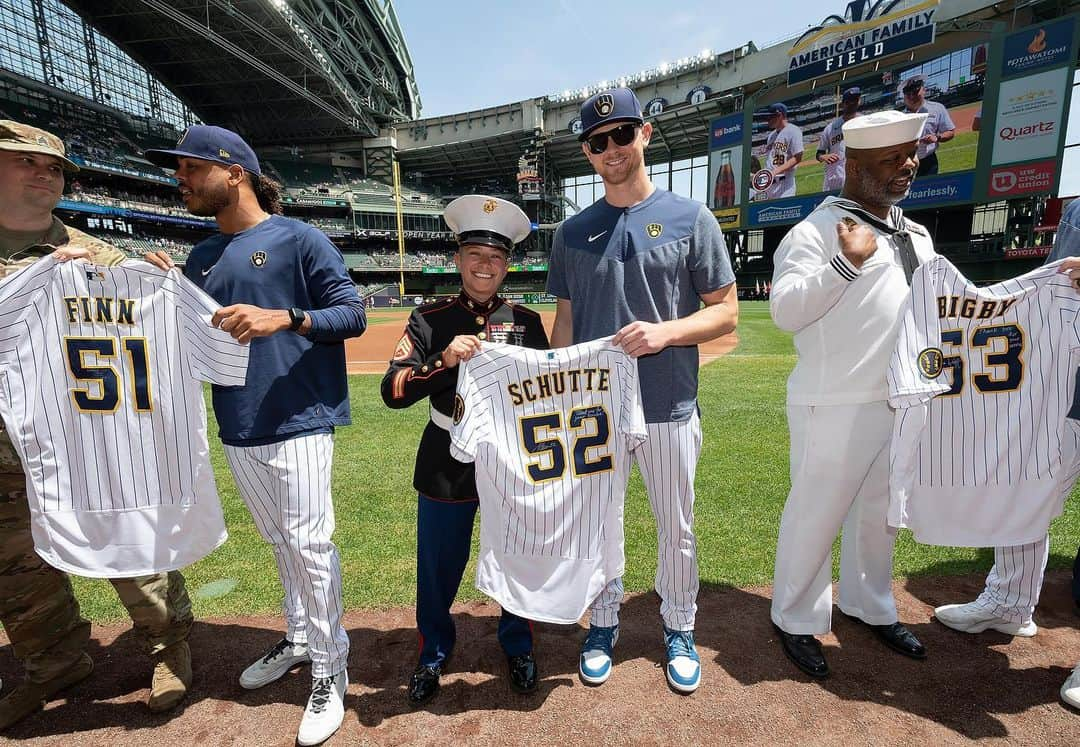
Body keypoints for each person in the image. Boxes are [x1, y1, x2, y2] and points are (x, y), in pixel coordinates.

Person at [142, 125, 366, 746]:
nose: (180, 180)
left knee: (310, 544)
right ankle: (299, 637)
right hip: (238, 425)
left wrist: (286, 317)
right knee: (280, 543)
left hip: (299, 418)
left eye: (190, 168)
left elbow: (351, 313)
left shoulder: (299, 238)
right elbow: (187, 335)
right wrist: (165, 289)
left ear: (234, 172)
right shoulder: (201, 257)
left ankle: (330, 667)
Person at [0, 120, 193, 729]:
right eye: (27, 162)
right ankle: (53, 665)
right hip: (3, 454)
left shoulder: (101, 257)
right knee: (17, 570)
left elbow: (149, 329)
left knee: (132, 543)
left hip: (88, 447)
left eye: (54, 168)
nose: (45, 174)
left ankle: (170, 648)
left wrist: (156, 282)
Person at [547, 87, 738, 694]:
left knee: (675, 525)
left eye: (622, 135)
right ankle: (602, 623)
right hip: (595, 413)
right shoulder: (573, 232)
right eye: (598, 142)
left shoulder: (691, 217)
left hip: (668, 404)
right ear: (586, 151)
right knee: (598, 524)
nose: (612, 149)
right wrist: (554, 387)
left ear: (645, 135)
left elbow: (726, 312)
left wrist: (666, 333)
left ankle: (678, 625)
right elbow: (566, 325)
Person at [769, 110, 936, 678]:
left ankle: (869, 604)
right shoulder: (815, 231)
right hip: (833, 401)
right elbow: (786, 310)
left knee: (878, 516)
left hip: (899, 398)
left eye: (911, 154)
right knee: (815, 514)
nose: (909, 166)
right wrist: (845, 262)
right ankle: (794, 616)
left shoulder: (915, 233)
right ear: (852, 165)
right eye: (892, 159)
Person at [381, 195, 549, 705]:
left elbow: (547, 390)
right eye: (475, 253)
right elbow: (392, 391)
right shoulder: (428, 319)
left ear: (508, 265)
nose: (485, 265)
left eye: (496, 257)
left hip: (509, 462)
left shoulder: (527, 322)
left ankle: (517, 643)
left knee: (516, 556)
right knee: (438, 564)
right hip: (445, 459)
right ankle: (433, 650)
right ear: (457, 259)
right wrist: (443, 362)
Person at [899, 74, 956, 177]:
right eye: (908, 94)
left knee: (929, 190)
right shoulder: (899, 117)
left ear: (923, 90)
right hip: (906, 162)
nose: (912, 96)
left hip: (928, 162)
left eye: (915, 92)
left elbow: (950, 132)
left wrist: (937, 137)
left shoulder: (937, 108)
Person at [817, 87, 862, 192]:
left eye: (855, 100)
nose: (852, 103)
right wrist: (824, 156)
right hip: (835, 178)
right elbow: (819, 154)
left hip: (859, 177)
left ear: (859, 101)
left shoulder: (865, 122)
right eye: (849, 101)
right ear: (843, 104)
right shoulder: (831, 128)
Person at [757, 102, 803, 200]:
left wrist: (775, 172)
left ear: (779, 115)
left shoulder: (793, 130)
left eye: (770, 117)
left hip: (784, 185)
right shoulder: (771, 136)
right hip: (768, 185)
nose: (767, 120)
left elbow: (797, 157)